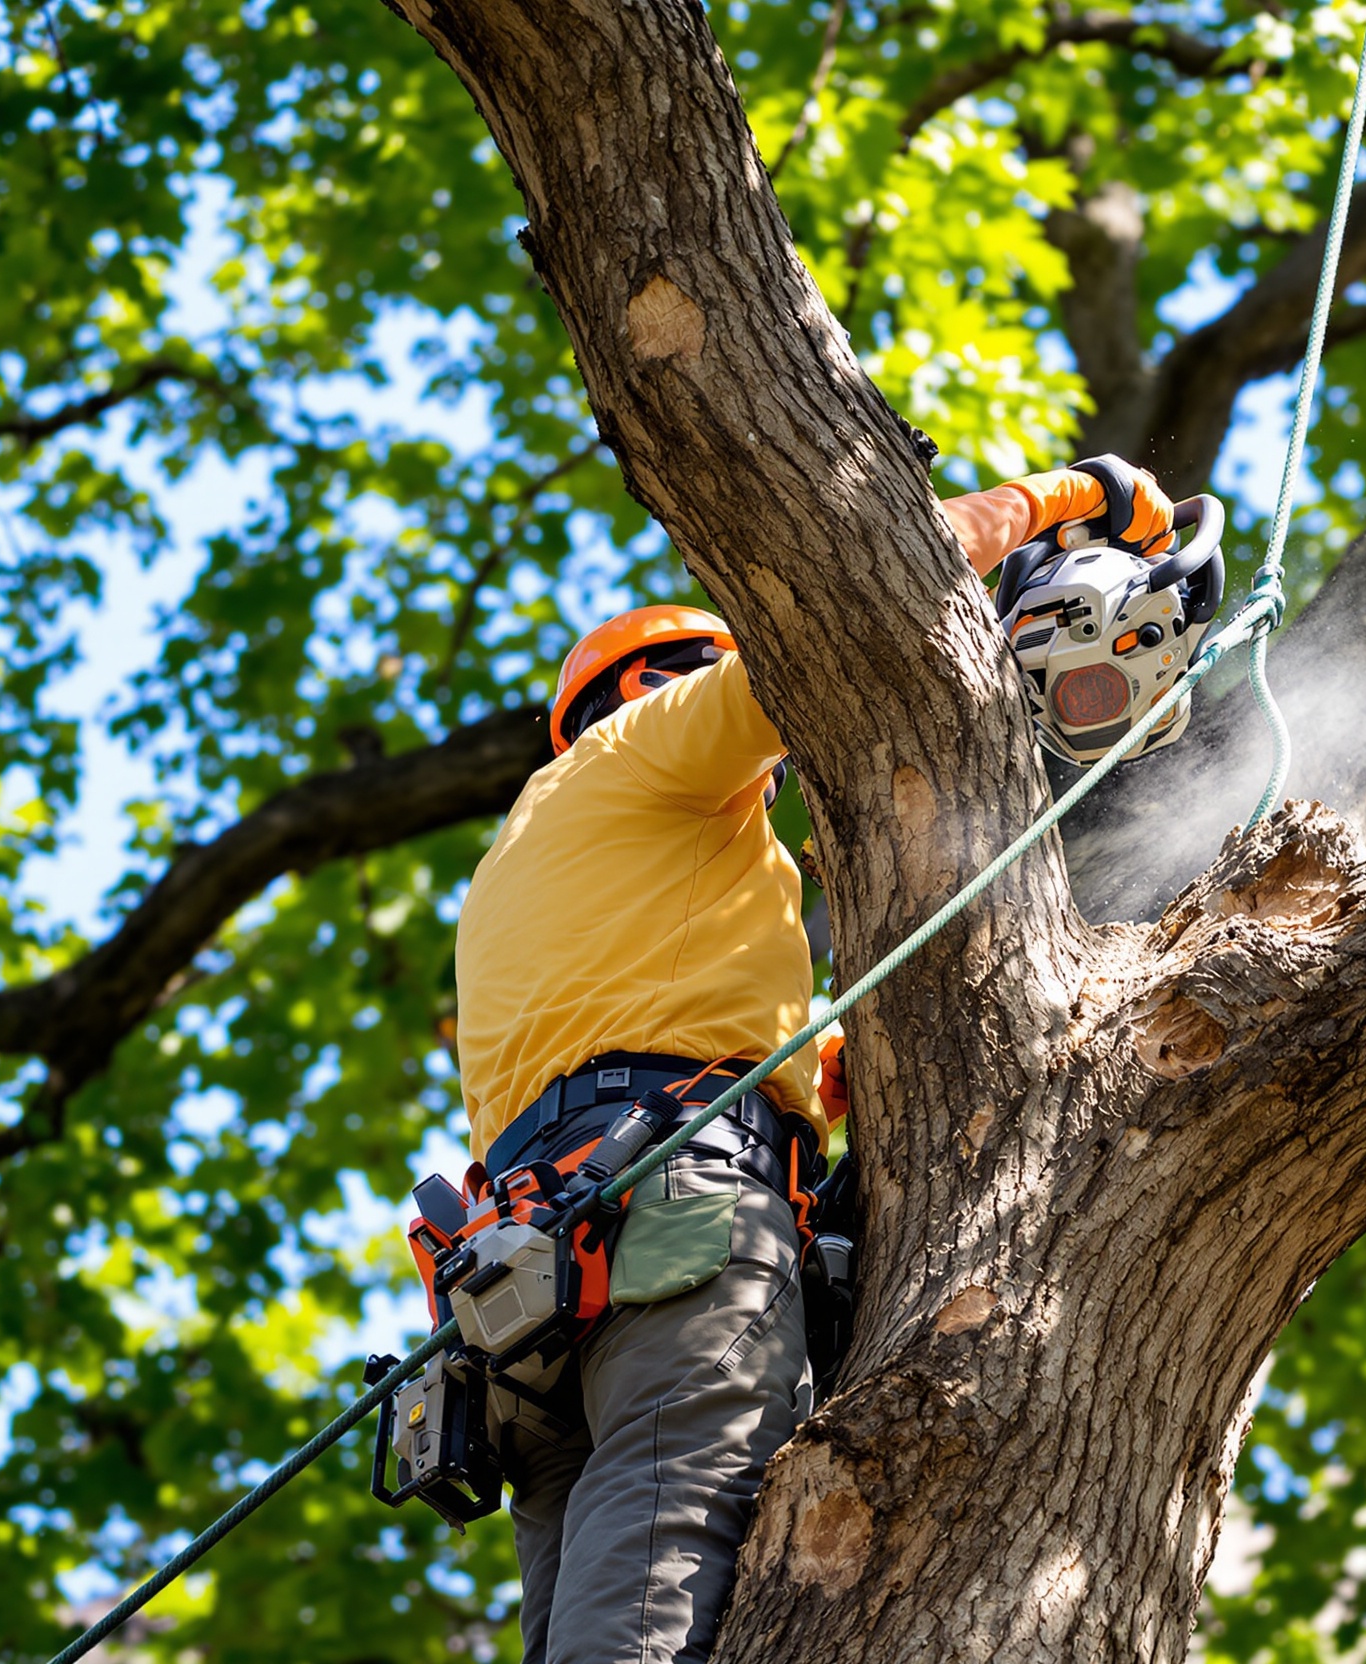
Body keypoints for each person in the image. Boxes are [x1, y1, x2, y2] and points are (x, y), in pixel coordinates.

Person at [452, 455, 1174, 1664]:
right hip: (662, 1223)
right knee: (671, 1527)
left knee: (579, 1606)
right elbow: (857, 598)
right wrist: (1065, 497)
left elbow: (634, 1019)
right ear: (655, 682)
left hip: (532, 1284)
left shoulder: (534, 856)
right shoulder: (650, 748)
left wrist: (821, 1066)